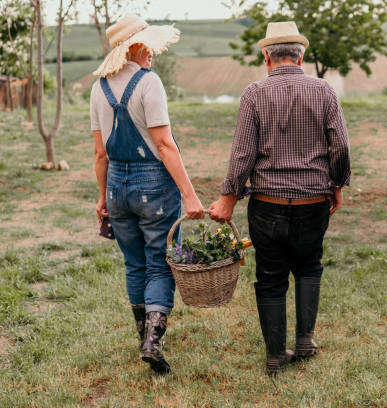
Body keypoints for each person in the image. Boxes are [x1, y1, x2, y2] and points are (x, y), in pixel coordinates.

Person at [209, 21, 351, 375]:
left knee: (270, 277)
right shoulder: (324, 91)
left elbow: (242, 154)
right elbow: (341, 146)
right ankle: (305, 340)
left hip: (267, 205)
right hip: (312, 203)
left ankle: (275, 354)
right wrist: (338, 182)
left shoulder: (254, 93)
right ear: (301, 55)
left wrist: (229, 196)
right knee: (309, 266)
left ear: (266, 57)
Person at [90, 14, 205, 374]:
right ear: (133, 48)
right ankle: (152, 341)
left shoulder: (99, 88)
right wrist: (190, 195)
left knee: (134, 264)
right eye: (147, 44)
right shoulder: (148, 84)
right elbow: (165, 146)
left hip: (116, 187)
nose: (152, 50)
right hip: (153, 186)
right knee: (159, 263)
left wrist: (102, 197)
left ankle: (143, 333)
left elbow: (99, 153)